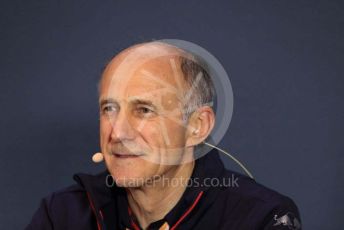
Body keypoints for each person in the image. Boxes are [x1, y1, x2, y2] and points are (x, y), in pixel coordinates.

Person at [26, 41, 302, 230]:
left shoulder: (260, 218)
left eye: (144, 110)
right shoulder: (63, 213)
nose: (118, 132)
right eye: (109, 108)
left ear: (197, 126)